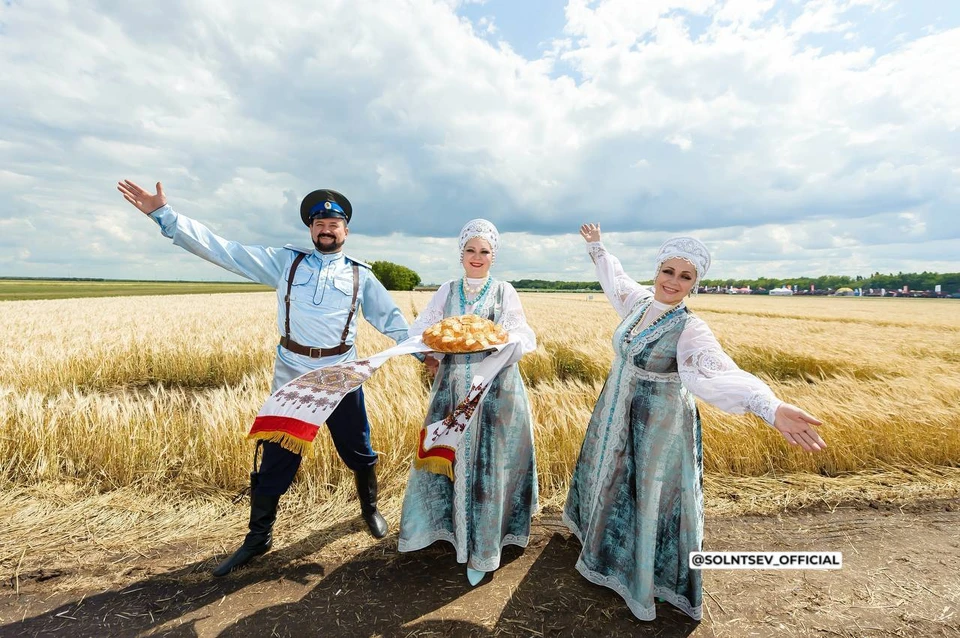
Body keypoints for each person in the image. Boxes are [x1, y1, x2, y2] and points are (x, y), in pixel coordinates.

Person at [117, 179, 414, 576]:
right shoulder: (286, 263)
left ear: (346, 230)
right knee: (276, 458)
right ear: (311, 229)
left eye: (334, 223)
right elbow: (225, 251)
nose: (326, 229)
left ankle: (369, 509)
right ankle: (258, 538)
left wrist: (425, 351)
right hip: (292, 375)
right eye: (319, 223)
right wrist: (163, 215)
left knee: (358, 450)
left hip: (341, 377)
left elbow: (393, 321)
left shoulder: (362, 277)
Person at [563, 224, 826, 621]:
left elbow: (717, 371)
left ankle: (648, 578)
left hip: (657, 424)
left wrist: (769, 406)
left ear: (695, 284)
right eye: (668, 271)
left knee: (649, 492)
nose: (673, 282)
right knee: (613, 478)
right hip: (615, 407)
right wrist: (597, 247)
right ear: (657, 271)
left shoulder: (690, 328)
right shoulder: (638, 303)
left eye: (685, 277)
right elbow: (614, 278)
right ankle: (602, 548)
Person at [397, 219, 538, 586]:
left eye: (484, 251)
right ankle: (446, 529)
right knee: (451, 456)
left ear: (494, 255)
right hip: (452, 393)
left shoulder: (505, 291)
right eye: (470, 251)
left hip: (496, 394)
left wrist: (498, 341)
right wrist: (430, 352)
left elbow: (523, 334)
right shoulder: (447, 289)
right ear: (461, 254)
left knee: (492, 465)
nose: (477, 257)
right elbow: (421, 329)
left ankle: (485, 546)